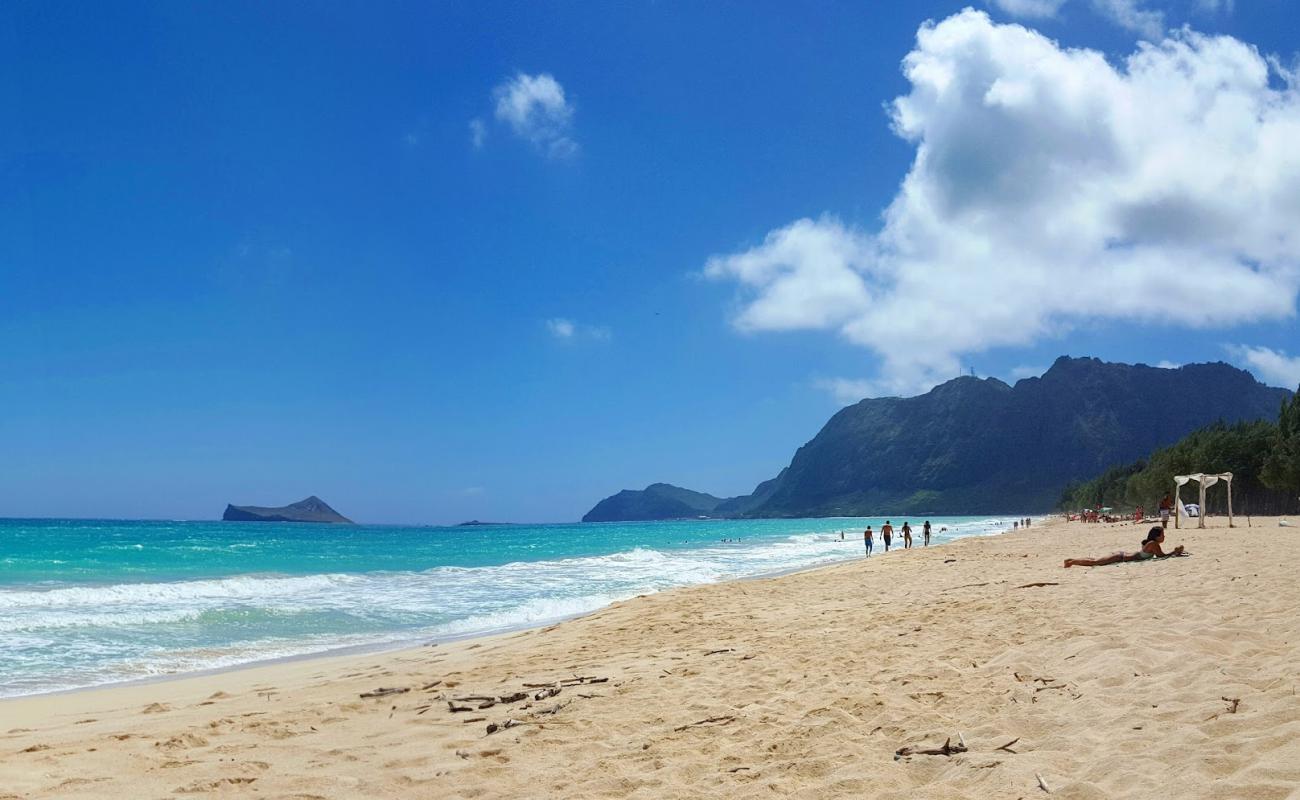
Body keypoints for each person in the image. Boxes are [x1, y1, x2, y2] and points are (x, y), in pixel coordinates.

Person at [1063, 526, 1187, 568]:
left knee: (1096, 560)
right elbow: (1162, 556)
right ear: (1157, 536)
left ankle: (1071, 560)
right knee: (1096, 562)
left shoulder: (1152, 543)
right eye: (1163, 535)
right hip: (1121, 557)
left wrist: (1175, 553)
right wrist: (1175, 552)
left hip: (1122, 555)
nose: (1164, 537)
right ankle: (1072, 562)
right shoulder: (1153, 544)